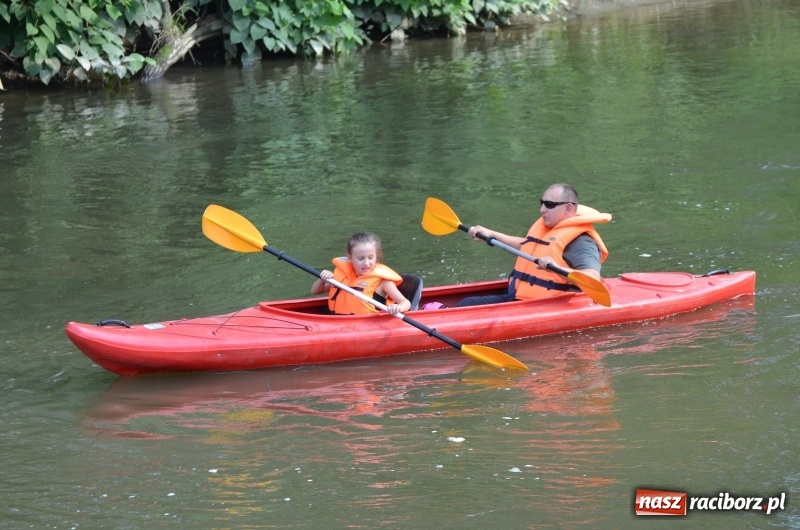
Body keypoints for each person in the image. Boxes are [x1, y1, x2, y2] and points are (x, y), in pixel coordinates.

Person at [455, 183, 610, 307]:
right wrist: (492, 234)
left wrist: (556, 267)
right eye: (542, 203)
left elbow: (593, 278)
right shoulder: (547, 228)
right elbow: (527, 246)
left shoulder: (582, 242)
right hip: (520, 297)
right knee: (467, 303)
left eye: (549, 204)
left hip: (551, 305)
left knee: (466, 305)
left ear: (568, 208)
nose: (542, 210)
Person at [312, 232, 412, 316]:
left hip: (365, 326)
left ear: (376, 256)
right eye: (360, 258)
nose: (366, 263)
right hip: (336, 322)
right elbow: (316, 291)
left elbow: (405, 302)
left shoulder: (383, 282)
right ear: (349, 258)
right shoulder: (343, 275)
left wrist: (399, 307)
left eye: (371, 257)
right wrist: (322, 279)